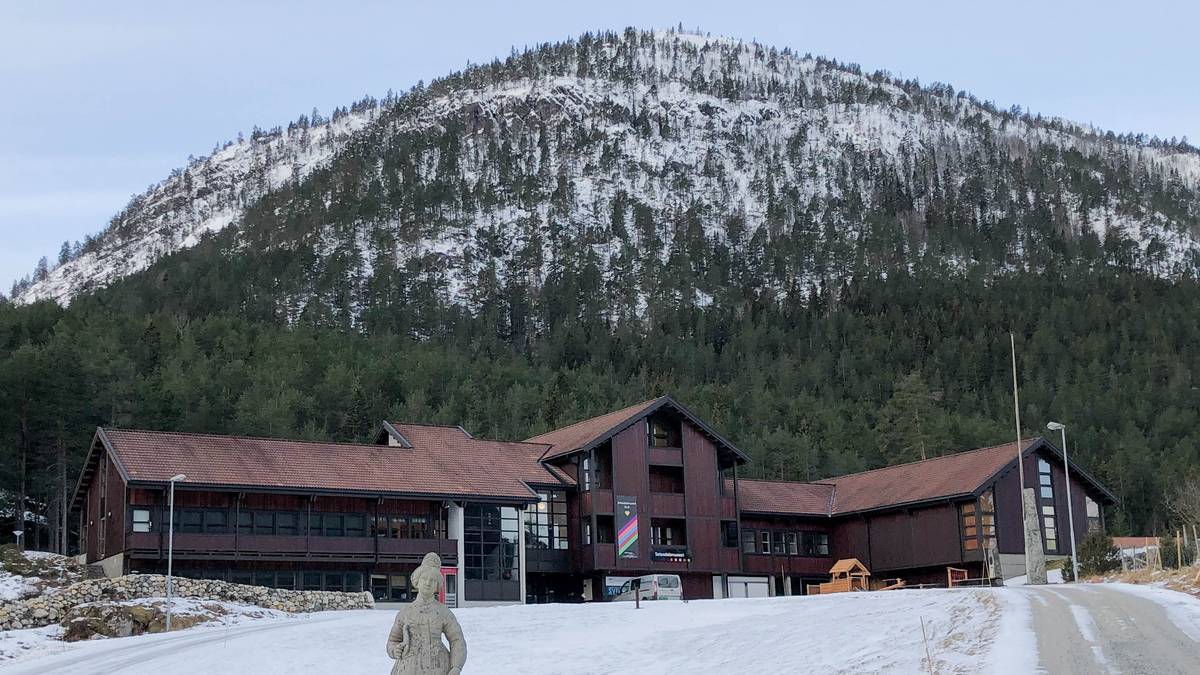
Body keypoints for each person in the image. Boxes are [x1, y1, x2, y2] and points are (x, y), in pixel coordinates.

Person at [386, 552, 467, 675]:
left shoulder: (443, 612)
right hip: (408, 667)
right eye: (424, 578)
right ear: (417, 582)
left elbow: (457, 640)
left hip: (438, 667)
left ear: (437, 586)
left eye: (433, 580)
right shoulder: (405, 612)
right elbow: (393, 640)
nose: (428, 583)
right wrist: (394, 650)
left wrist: (456, 667)